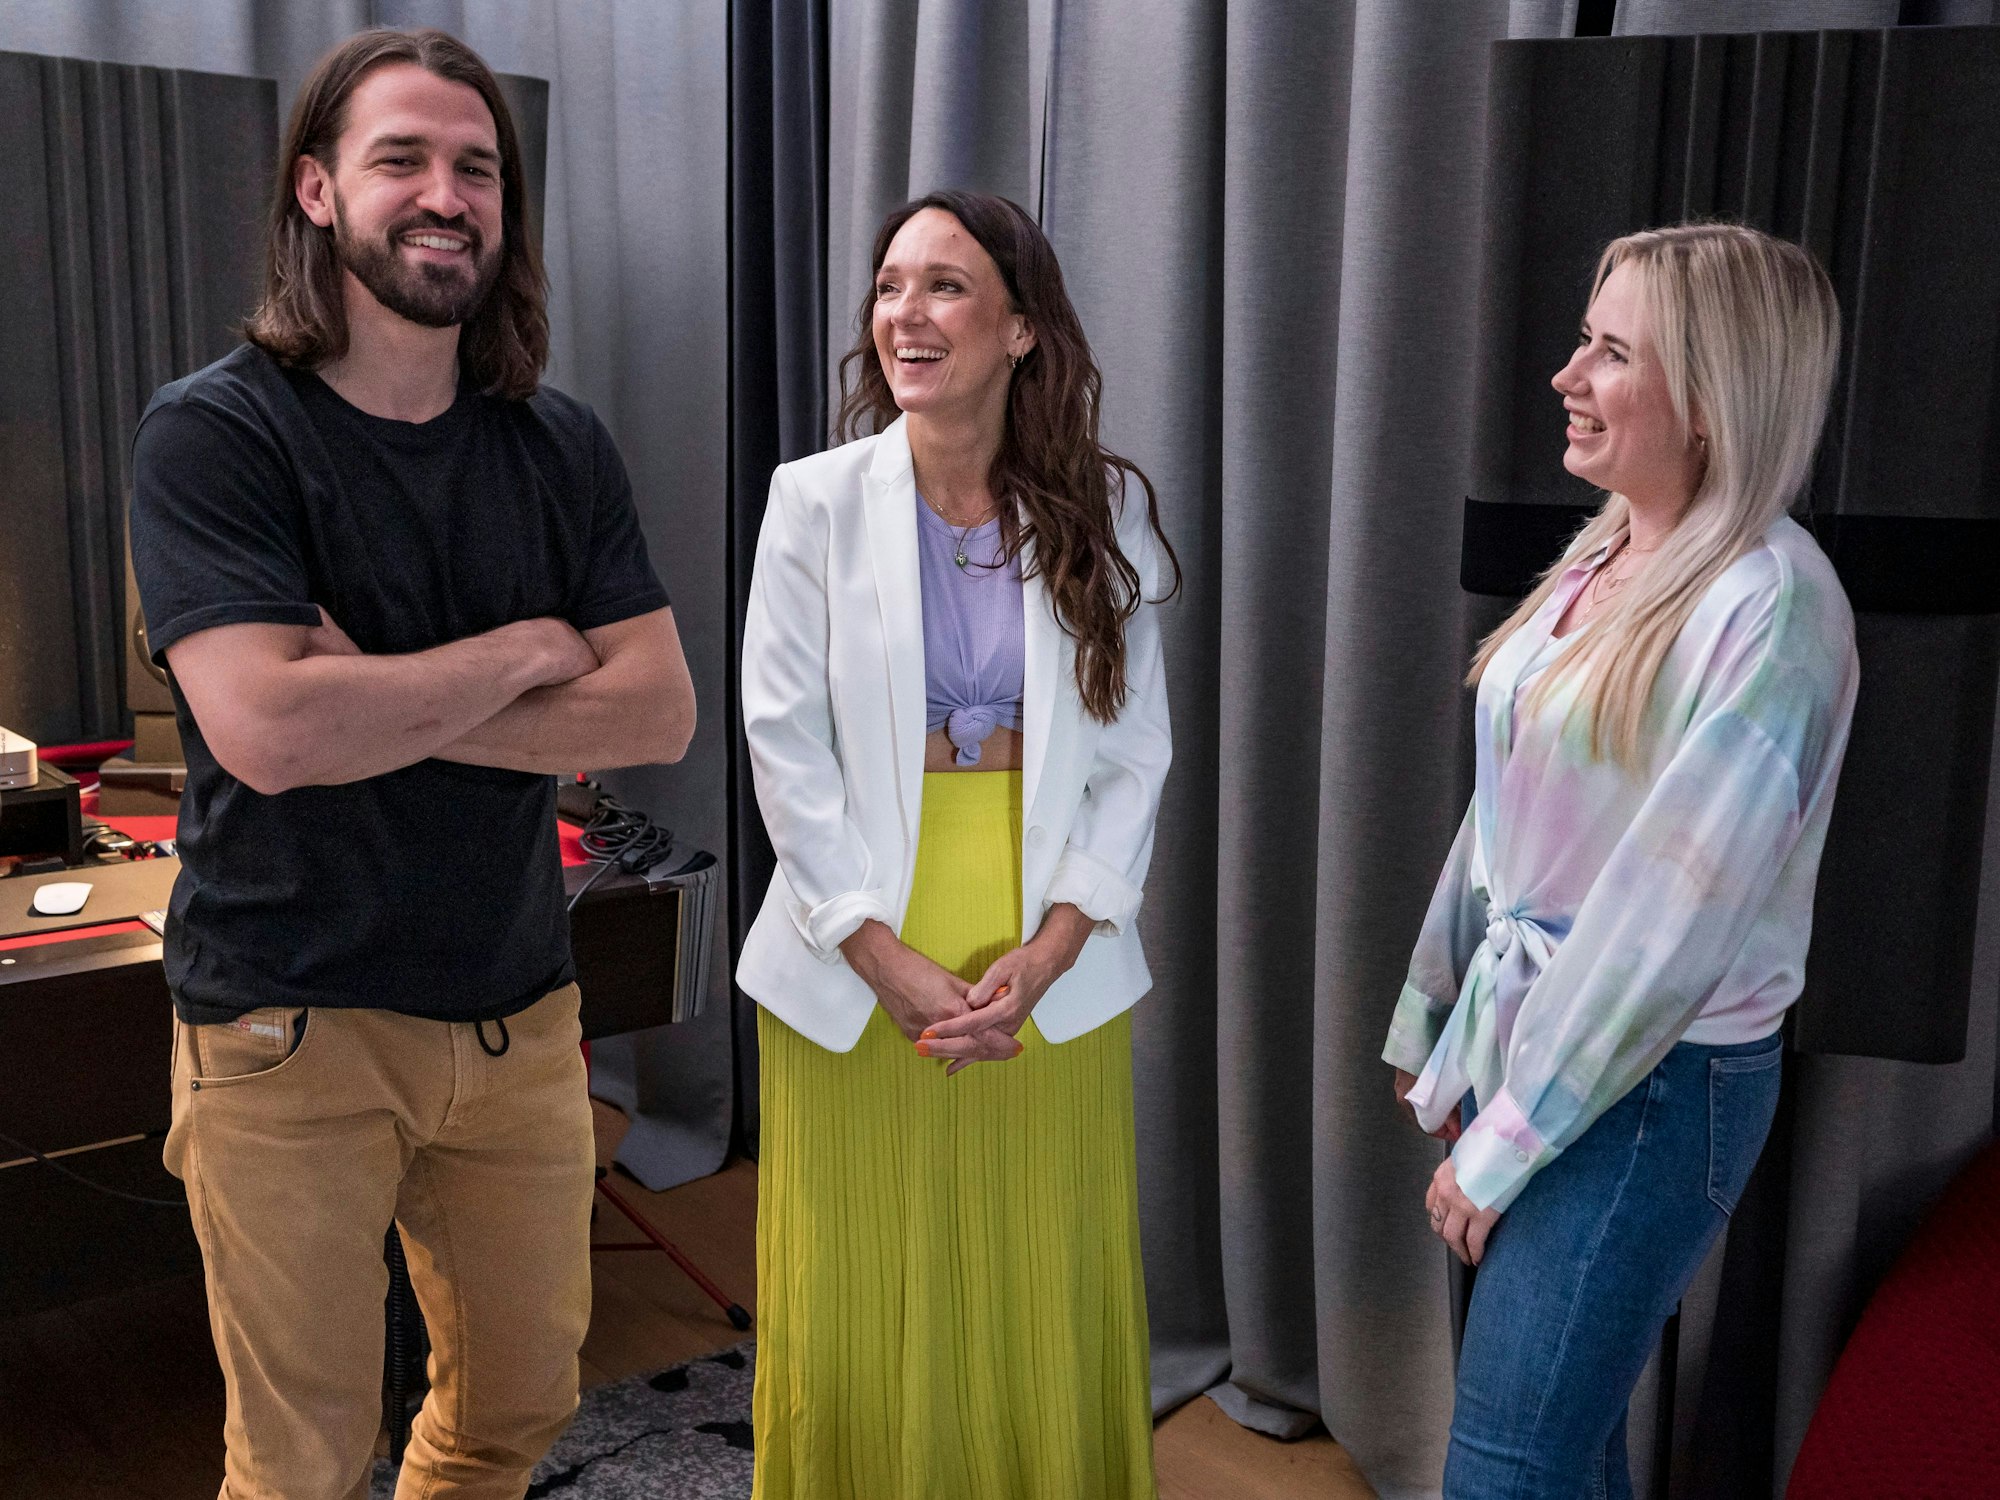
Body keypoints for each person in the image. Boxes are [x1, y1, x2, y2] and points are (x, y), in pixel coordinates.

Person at [128, 28, 694, 1500]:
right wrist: (522, 649)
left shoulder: (556, 448)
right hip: (285, 1023)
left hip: (515, 1011)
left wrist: (359, 688)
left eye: (476, 167)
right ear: (317, 191)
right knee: (304, 1462)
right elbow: (268, 732)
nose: (445, 194)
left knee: (517, 1405)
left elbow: (657, 713)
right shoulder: (215, 435)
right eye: (403, 159)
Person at [1382, 222, 1858, 1498]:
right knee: (1561, 1459)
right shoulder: (1604, 549)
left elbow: (1665, 925)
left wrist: (1509, 1134)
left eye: (1607, 352)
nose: (1564, 376)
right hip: (1539, 1050)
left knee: (1503, 1472)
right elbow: (1506, 801)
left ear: (1706, 397)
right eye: (1579, 342)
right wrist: (1437, 1010)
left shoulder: (1773, 609)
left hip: (1645, 1093)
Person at [737, 188, 1179, 1498]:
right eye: (888, 287)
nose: (903, 315)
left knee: (1035, 1275)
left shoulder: (1104, 512)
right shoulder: (811, 503)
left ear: (1023, 327)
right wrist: (874, 950)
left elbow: (1135, 755)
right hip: (851, 938)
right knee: (861, 1280)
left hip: (1052, 948)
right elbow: (783, 738)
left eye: (942, 286)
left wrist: (1043, 960)